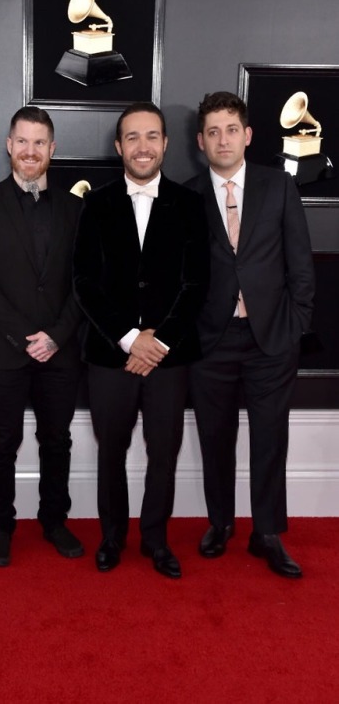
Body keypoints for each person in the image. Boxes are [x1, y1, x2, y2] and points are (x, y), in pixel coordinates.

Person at [73, 102, 209, 577]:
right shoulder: (96, 203)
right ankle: (112, 537)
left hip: (170, 358)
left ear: (166, 144)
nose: (143, 146)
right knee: (111, 450)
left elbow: (197, 284)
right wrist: (131, 339)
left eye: (152, 136)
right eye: (132, 137)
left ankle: (155, 539)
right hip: (111, 357)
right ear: (118, 146)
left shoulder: (191, 205)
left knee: (163, 452)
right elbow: (85, 283)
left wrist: (158, 342)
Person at [185, 91, 314, 578]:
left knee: (269, 439)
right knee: (215, 438)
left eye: (231, 129)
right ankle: (220, 523)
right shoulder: (186, 195)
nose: (223, 139)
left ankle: (267, 533)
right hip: (210, 341)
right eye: (213, 131)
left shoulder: (279, 186)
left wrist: (296, 324)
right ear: (200, 141)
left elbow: (300, 263)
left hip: (271, 339)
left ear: (248, 135)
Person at [0, 106, 83, 567]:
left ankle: (54, 521)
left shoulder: (76, 208)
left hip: (61, 349)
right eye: (23, 142)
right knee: (1, 442)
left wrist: (54, 336)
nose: (30, 151)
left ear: (52, 150)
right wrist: (24, 335)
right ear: (9, 146)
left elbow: (83, 281)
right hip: (1, 349)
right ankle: (1, 527)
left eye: (40, 143)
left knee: (57, 440)